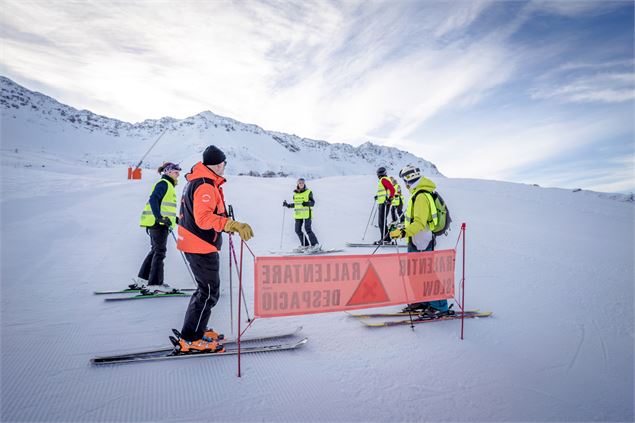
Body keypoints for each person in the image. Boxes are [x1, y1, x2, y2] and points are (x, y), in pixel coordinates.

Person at [175, 145, 254, 353]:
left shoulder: (202, 181)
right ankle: (190, 339)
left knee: (206, 290)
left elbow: (209, 214)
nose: (225, 166)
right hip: (199, 244)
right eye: (224, 163)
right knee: (208, 292)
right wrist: (229, 225)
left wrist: (225, 223)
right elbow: (203, 219)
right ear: (218, 164)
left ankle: (196, 330)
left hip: (196, 241)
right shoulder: (205, 185)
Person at [390, 164, 451, 316]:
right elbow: (412, 219)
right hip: (415, 238)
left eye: (404, 180)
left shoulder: (422, 196)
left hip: (422, 239)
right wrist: (400, 225)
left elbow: (419, 223)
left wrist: (402, 232)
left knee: (426, 273)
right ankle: (423, 300)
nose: (404, 184)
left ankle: (440, 306)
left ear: (408, 179)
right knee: (414, 273)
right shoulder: (417, 194)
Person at [137, 162, 181, 290]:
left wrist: (177, 220)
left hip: (159, 223)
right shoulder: (164, 184)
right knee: (160, 252)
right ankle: (156, 284)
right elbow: (153, 199)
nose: (178, 175)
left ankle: (142, 281)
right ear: (168, 172)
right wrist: (159, 217)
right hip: (158, 224)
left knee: (155, 251)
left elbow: (165, 207)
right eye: (176, 172)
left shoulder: (168, 185)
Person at [283, 178, 321, 252]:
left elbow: (312, 203)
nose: (301, 184)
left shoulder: (308, 192)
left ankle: (315, 245)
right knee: (297, 230)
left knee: (308, 229)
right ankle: (305, 245)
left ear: (304, 184)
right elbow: (296, 204)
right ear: (297, 184)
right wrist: (287, 205)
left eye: (302, 183)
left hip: (307, 214)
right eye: (300, 183)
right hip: (298, 214)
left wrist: (307, 203)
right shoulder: (295, 194)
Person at [375, 166, 395, 244]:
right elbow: (383, 192)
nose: (377, 176)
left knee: (382, 221)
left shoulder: (384, 180)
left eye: (378, 174)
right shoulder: (383, 180)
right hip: (382, 203)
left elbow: (392, 190)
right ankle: (386, 238)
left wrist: (390, 199)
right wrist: (378, 196)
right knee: (382, 221)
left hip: (385, 203)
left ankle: (386, 238)